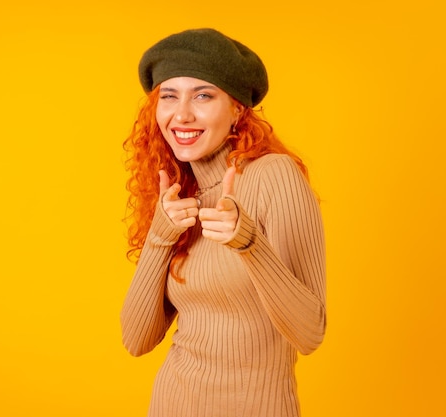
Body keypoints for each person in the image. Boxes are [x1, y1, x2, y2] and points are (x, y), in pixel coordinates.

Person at [120, 28, 326, 417]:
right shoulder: (177, 191)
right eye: (169, 96)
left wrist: (248, 243)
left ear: (236, 109)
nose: (181, 114)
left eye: (203, 95)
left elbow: (309, 333)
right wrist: (160, 236)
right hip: (172, 404)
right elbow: (136, 340)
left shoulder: (273, 176)